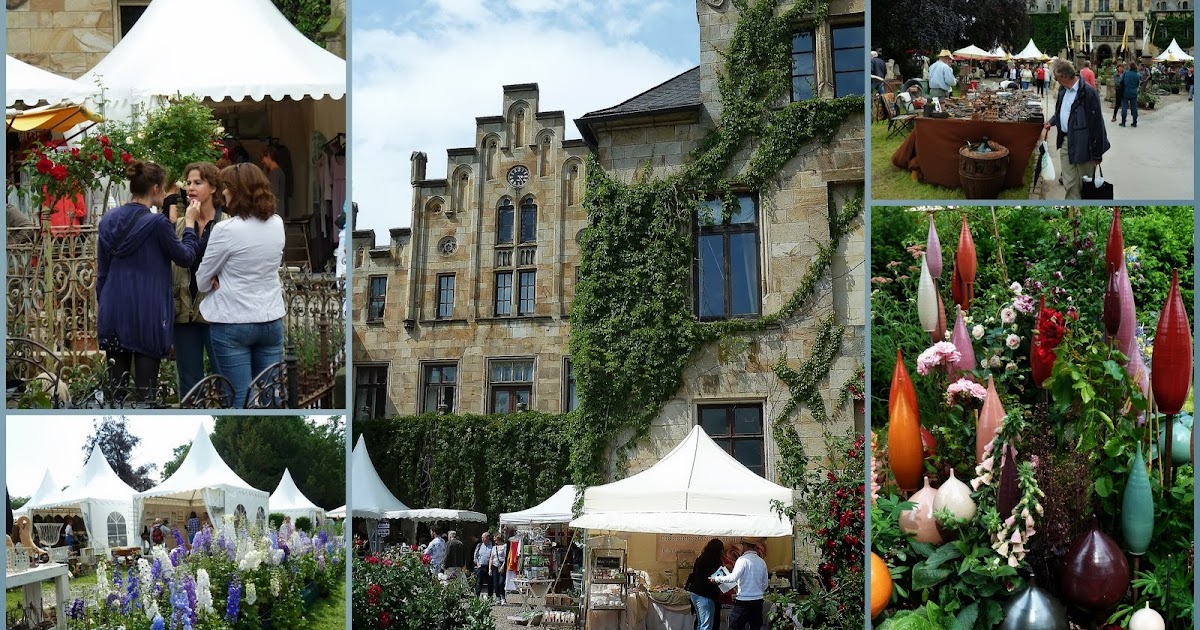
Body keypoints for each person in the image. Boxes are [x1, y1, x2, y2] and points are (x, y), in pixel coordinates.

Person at [97, 160, 201, 402]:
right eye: (163, 188)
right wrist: (189, 225)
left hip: (114, 309)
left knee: (115, 395)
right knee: (147, 395)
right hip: (147, 312)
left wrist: (105, 308)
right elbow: (186, 257)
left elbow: (102, 273)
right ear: (155, 189)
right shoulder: (157, 224)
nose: (165, 193)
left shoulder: (108, 220)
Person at [195, 162, 286, 407]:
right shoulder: (277, 223)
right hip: (270, 319)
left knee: (239, 399)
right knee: (272, 397)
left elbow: (202, 281)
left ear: (238, 191)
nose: (223, 192)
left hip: (232, 321)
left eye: (226, 187)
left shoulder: (226, 229)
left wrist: (217, 276)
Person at [173, 162, 232, 398]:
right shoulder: (179, 225)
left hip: (216, 310)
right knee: (189, 382)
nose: (191, 188)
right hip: (184, 311)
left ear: (214, 188)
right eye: (188, 182)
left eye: (198, 182)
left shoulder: (227, 223)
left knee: (224, 377)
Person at [1045, 60, 1109, 199]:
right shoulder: (1063, 90)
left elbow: (1097, 124)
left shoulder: (1088, 92)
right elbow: (1061, 111)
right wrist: (1052, 121)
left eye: (1056, 77)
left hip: (1084, 144)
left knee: (1084, 183)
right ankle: (1073, 206)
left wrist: (1097, 154)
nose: (1055, 80)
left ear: (1064, 76)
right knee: (1069, 182)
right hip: (1066, 141)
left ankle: (1081, 206)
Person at [710, 540, 769, 630]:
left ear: (745, 545)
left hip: (743, 600)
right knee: (755, 627)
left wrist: (717, 579)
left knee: (734, 626)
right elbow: (765, 584)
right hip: (758, 601)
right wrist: (757, 592)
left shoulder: (742, 560)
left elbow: (733, 578)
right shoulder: (762, 562)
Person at [687, 539, 725, 630]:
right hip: (705, 595)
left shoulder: (701, 557)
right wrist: (725, 571)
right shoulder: (714, 560)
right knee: (706, 625)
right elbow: (716, 579)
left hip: (696, 593)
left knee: (700, 623)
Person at [260, 147, 287, 218]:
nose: (262, 161)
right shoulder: (274, 172)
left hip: (275, 210)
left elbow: (273, 191)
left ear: (268, 156)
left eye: (263, 158)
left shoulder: (275, 172)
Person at [1119, 61, 1141, 128]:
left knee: (1124, 107)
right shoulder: (1137, 75)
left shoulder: (1126, 73)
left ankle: (1123, 122)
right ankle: (1134, 122)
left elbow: (1121, 81)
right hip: (1133, 92)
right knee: (1134, 107)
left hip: (1125, 92)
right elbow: (1137, 84)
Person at [474, 532, 494, 598]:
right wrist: (477, 563)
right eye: (482, 537)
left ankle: (490, 597)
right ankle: (477, 597)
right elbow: (475, 555)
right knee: (479, 582)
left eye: (484, 537)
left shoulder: (492, 545)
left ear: (488, 538)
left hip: (489, 567)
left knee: (490, 582)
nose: (482, 539)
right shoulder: (479, 545)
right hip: (481, 566)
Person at [490, 535, 509, 605]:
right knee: (495, 583)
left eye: (495, 539)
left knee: (501, 583)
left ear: (499, 539)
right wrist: (489, 569)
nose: (494, 541)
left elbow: (506, 557)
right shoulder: (494, 547)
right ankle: (498, 598)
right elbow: (491, 558)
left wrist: (503, 566)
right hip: (494, 566)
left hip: (502, 566)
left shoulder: (505, 546)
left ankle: (503, 598)